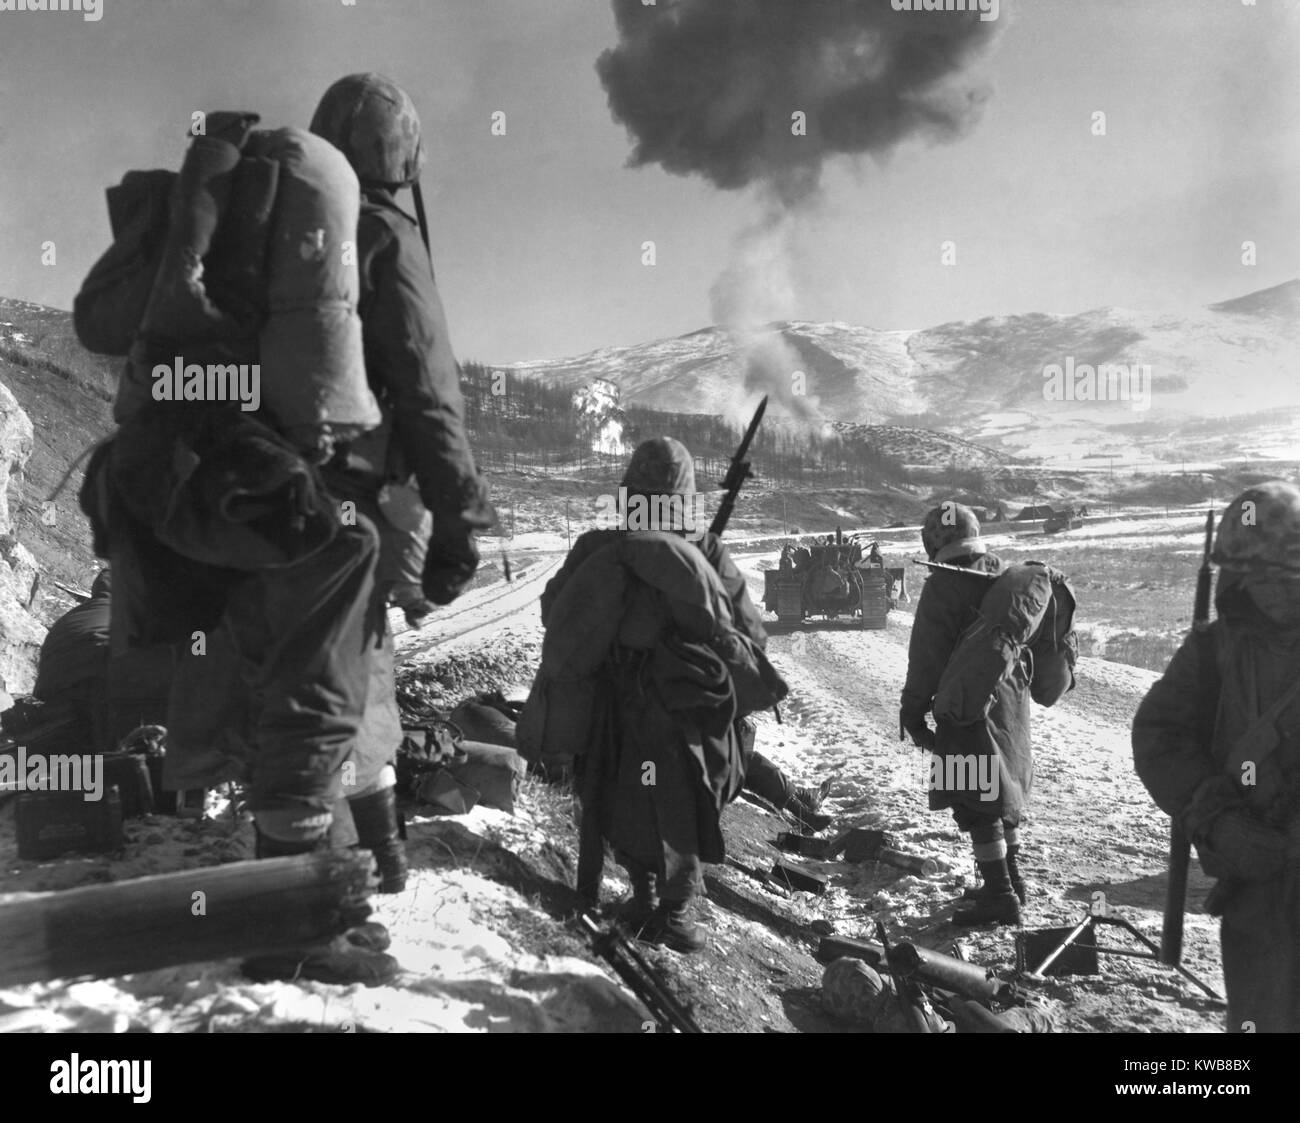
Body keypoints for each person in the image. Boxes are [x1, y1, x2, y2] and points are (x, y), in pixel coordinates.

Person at [307, 72, 494, 888]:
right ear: (402, 156)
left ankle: (350, 864)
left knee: (293, 680)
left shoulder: (265, 237)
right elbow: (425, 388)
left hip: (251, 495)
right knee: (354, 677)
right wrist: (459, 520)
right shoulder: (384, 232)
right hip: (347, 503)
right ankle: (345, 880)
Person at [537, 437, 784, 953]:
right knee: (678, 805)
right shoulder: (707, 552)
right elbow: (751, 636)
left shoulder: (598, 548)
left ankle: (648, 896)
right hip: (683, 713)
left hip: (614, 707)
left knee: (618, 794)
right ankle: (672, 912)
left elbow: (555, 610)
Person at [1133, 481, 1300, 1032]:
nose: (1276, 594)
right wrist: (1218, 819)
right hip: (1261, 895)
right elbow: (1160, 736)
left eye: (1287, 578)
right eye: (1260, 580)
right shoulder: (1215, 649)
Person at [899, 502, 1032, 926]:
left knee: (975, 801)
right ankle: (1012, 878)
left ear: (934, 541)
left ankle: (999, 894)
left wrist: (913, 712)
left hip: (965, 707)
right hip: (1010, 702)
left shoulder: (942, 587)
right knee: (1003, 792)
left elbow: (926, 659)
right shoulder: (1002, 575)